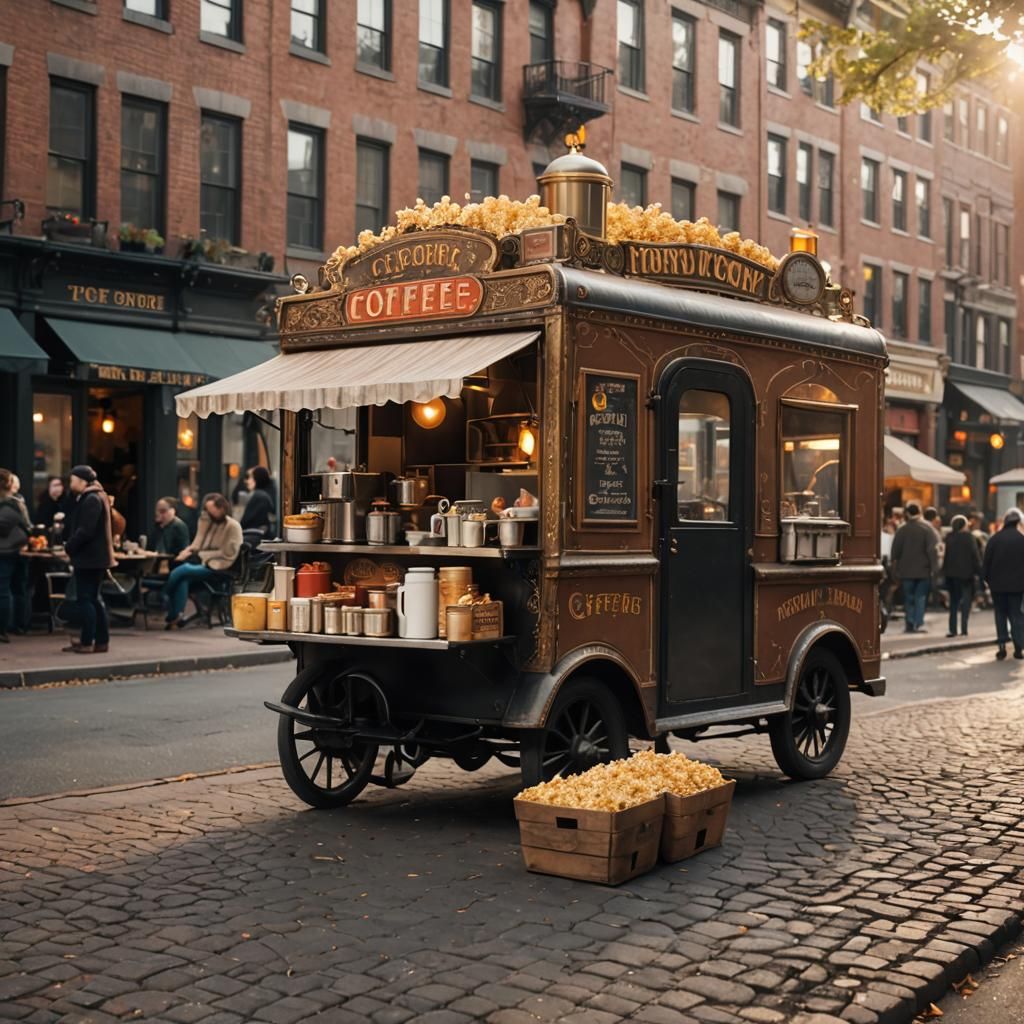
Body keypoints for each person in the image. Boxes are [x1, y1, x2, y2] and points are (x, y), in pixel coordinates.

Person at [161, 493, 242, 629]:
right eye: (207, 510)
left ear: (222, 508)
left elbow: (228, 553)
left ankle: (164, 593)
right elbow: (198, 543)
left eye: (212, 510)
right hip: (206, 564)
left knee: (183, 570)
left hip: (220, 567)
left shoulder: (232, 526)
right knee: (183, 580)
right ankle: (174, 617)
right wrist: (203, 524)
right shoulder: (210, 523)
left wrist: (203, 555)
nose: (209, 513)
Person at [63, 465, 115, 654]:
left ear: (82, 481)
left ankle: (88, 642)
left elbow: (85, 530)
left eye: (72, 480)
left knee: (86, 599)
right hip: (96, 557)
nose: (70, 483)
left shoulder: (91, 499)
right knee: (93, 599)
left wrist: (70, 546)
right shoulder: (95, 496)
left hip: (89, 558)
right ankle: (101, 641)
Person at [982, 508, 1024, 661]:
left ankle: (1001, 646)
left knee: (1000, 614)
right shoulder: (1022, 540)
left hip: (997, 586)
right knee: (1016, 614)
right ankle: (1019, 646)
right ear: (1018, 523)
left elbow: (986, 563)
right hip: (1017, 587)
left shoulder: (994, 539)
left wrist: (987, 580)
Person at [890, 501, 938, 633]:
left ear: (907, 513)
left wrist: (895, 566)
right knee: (920, 597)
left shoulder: (902, 529)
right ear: (920, 512)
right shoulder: (928, 529)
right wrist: (935, 568)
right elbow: (933, 550)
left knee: (909, 598)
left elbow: (895, 551)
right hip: (924, 570)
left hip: (906, 571)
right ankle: (919, 623)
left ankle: (909, 623)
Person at [0, 468, 29, 644]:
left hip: (6, 553)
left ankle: (4, 629)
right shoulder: (12, 503)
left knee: (3, 590)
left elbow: (3, 526)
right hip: (10, 550)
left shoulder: (11, 504)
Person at [942, 515, 982, 637]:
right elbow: (975, 556)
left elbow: (946, 557)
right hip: (966, 575)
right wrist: (980, 572)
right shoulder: (969, 538)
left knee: (953, 603)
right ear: (964, 525)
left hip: (952, 575)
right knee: (966, 602)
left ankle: (952, 629)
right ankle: (964, 629)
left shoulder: (949, 538)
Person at [240, 466, 276, 538]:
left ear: (257, 478)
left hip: (255, 538)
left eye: (250, 478)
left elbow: (246, 522)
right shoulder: (265, 494)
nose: (248, 481)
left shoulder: (259, 496)